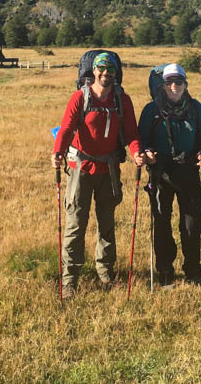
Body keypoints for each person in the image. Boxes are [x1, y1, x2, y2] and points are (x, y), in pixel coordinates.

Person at [51, 51, 144, 298]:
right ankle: (70, 279)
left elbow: (131, 132)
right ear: (93, 71)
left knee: (107, 224)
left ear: (116, 73)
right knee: (75, 225)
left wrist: (136, 153)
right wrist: (58, 153)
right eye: (101, 69)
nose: (106, 74)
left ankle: (105, 272)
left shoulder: (122, 101)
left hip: (109, 169)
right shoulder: (79, 98)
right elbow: (67, 128)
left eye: (110, 70)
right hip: (81, 168)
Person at [136, 63, 201, 286]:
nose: (173, 86)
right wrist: (146, 152)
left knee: (191, 224)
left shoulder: (195, 108)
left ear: (185, 84)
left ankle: (193, 272)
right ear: (162, 85)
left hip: (189, 171)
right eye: (169, 82)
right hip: (161, 173)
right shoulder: (151, 110)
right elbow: (141, 138)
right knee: (162, 223)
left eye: (178, 81)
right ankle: (165, 272)